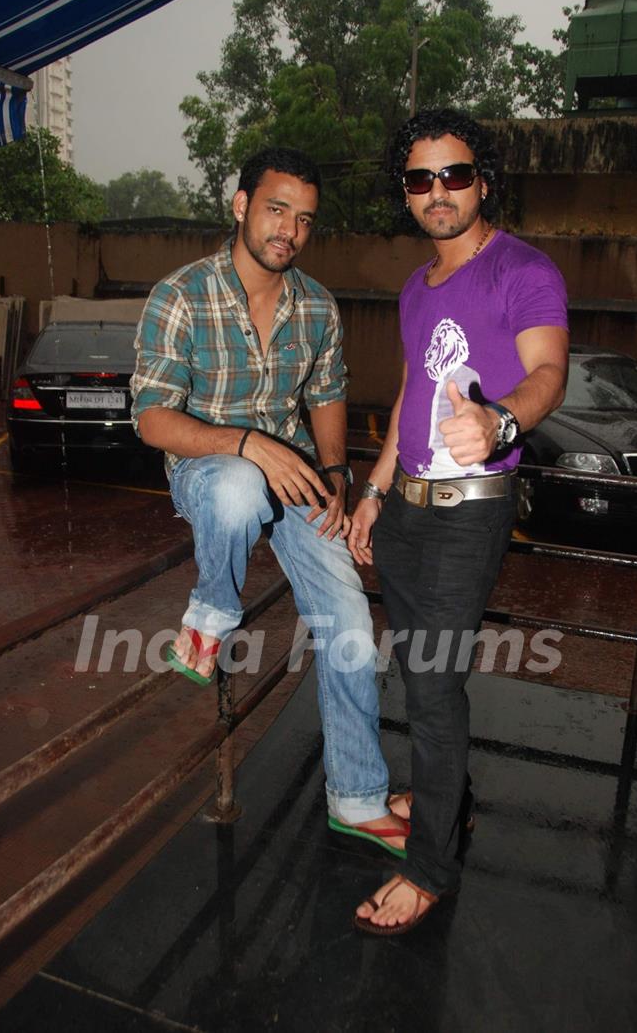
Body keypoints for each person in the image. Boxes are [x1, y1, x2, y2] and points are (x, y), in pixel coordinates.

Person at [131, 146, 408, 845]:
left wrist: (338, 477)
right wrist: (249, 445)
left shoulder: (315, 304)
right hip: (210, 470)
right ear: (241, 205)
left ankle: (356, 794)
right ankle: (209, 617)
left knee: (348, 617)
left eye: (306, 219)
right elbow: (152, 418)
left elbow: (328, 393)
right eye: (278, 209)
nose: (290, 229)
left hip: (295, 475)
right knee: (234, 485)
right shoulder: (181, 294)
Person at [348, 108, 569, 935]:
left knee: (434, 691)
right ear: (405, 194)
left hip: (467, 515)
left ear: (484, 180)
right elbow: (410, 391)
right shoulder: (416, 287)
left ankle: (430, 864)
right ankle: (453, 798)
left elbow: (550, 370)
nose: (439, 191)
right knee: (420, 673)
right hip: (405, 509)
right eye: (420, 178)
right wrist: (372, 489)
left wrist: (501, 421)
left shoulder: (523, 268)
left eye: (455, 174)